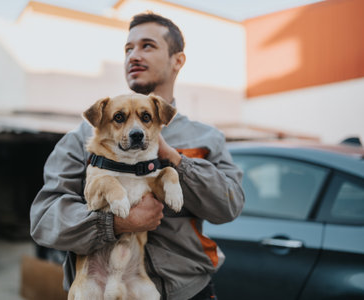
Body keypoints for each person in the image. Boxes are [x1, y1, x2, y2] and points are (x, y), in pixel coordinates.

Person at [30, 12, 244, 300]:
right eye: (128, 49)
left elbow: (228, 206)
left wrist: (176, 160)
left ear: (177, 60)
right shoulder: (86, 136)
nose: (133, 55)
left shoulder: (204, 138)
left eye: (147, 46)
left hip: (188, 291)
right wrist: (116, 223)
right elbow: (44, 219)